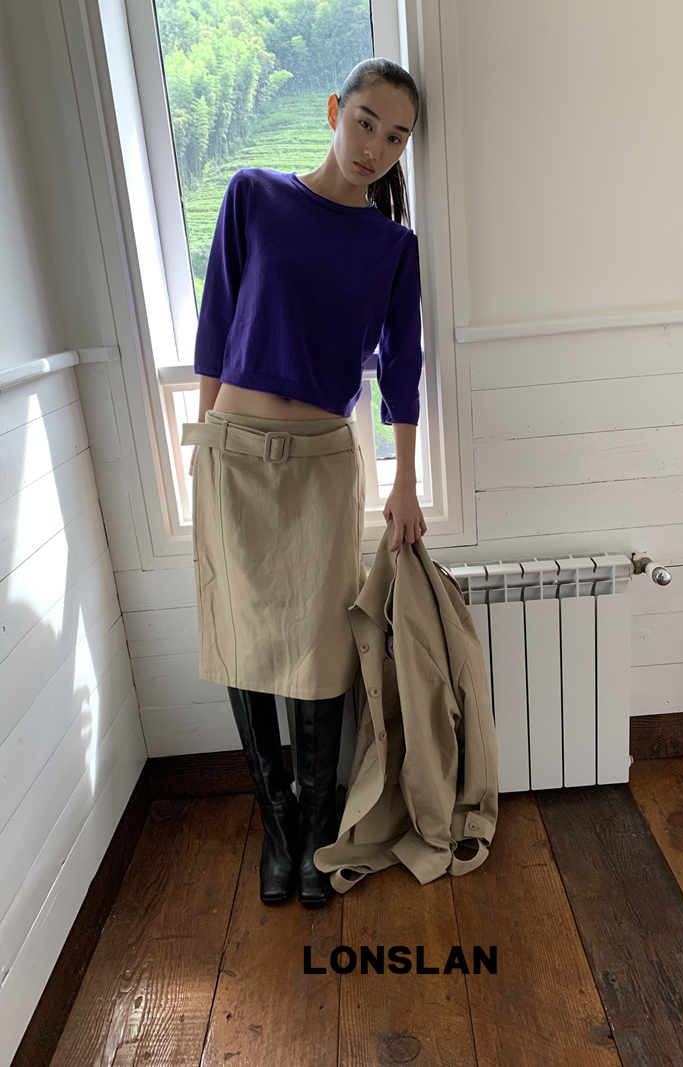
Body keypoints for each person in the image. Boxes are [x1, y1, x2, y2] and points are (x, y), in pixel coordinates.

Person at [182, 57, 426, 907]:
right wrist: (205, 441)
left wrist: (405, 482)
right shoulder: (253, 195)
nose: (376, 147)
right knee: (243, 638)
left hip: (323, 463)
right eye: (366, 122)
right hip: (235, 452)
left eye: (396, 136)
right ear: (334, 111)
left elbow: (403, 369)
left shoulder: (393, 247)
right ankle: (277, 825)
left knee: (322, 648)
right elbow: (217, 321)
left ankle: (320, 825)